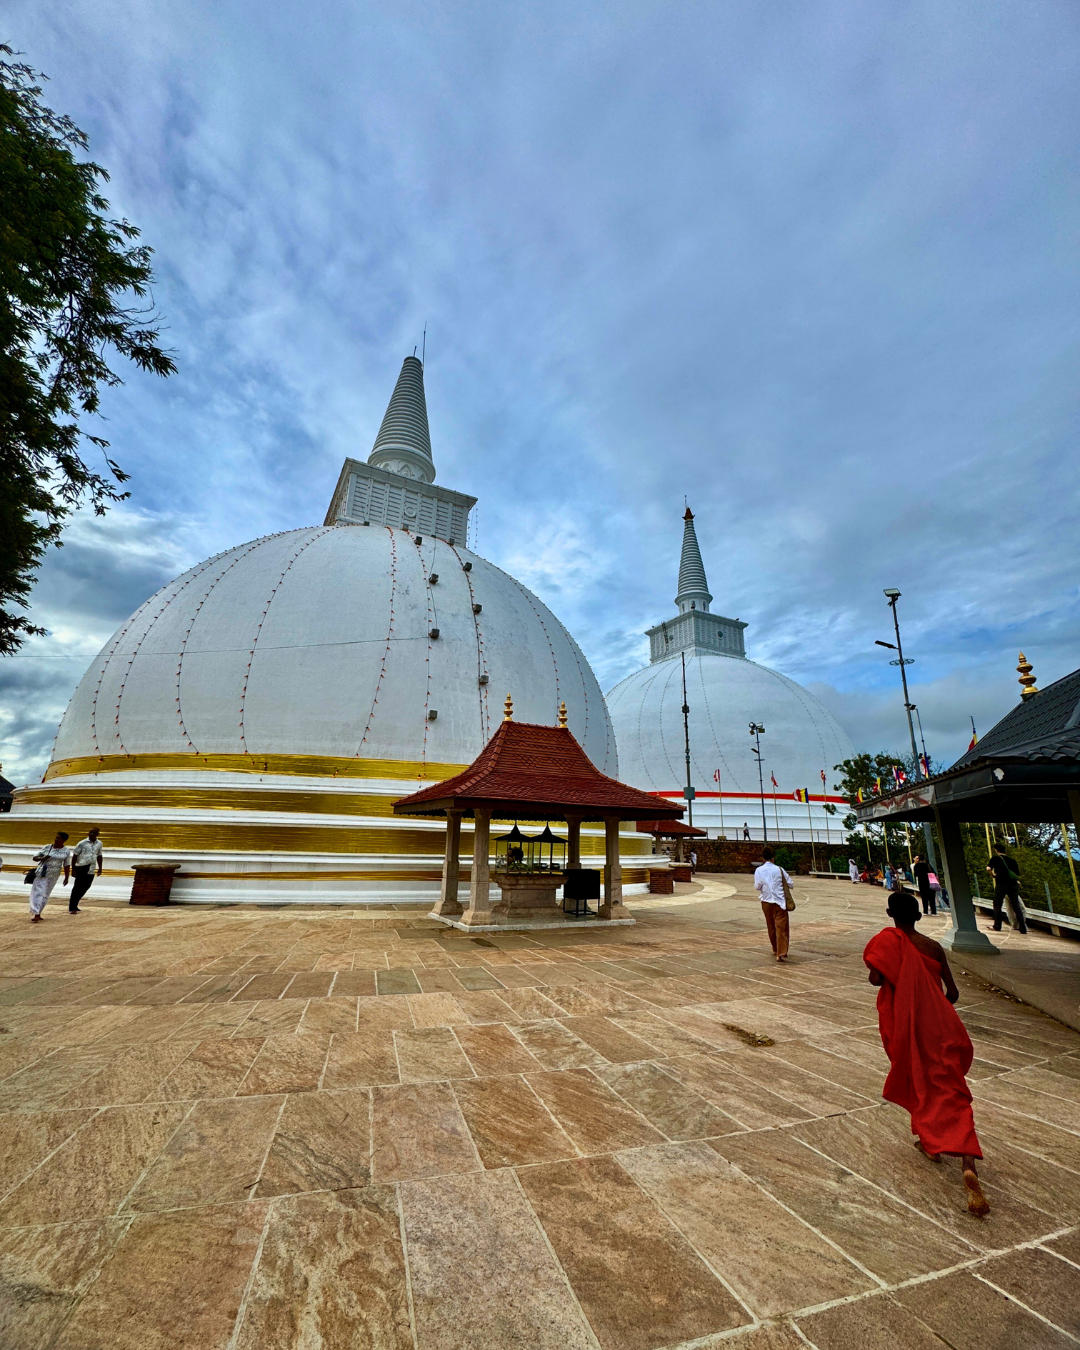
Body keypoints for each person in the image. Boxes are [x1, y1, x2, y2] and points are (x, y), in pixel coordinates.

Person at [864, 890, 989, 1216]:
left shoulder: (887, 942)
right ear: (919, 916)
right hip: (941, 1027)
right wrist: (933, 1007)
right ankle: (967, 1164)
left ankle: (932, 1144)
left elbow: (875, 979)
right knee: (953, 1089)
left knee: (918, 1081)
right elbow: (953, 992)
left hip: (908, 1028)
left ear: (890, 914)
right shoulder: (933, 947)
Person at [754, 844, 793, 963]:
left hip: (766, 901)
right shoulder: (779, 869)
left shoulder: (759, 870)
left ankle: (775, 949)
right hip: (780, 902)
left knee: (771, 926)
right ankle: (781, 952)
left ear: (763, 858)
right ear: (773, 858)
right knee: (781, 927)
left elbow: (757, 886)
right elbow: (790, 883)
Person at [28, 833, 71, 922]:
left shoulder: (66, 851)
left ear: (64, 840)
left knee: (46, 894)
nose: (56, 839)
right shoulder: (47, 847)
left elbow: (66, 864)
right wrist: (42, 858)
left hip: (54, 875)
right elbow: (35, 857)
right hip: (42, 874)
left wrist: (66, 877)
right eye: (56, 837)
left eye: (59, 838)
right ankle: (36, 912)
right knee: (38, 892)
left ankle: (39, 912)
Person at [986, 842, 1027, 934]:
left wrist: (993, 875)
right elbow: (1016, 875)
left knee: (997, 904)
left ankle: (997, 926)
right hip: (1012, 885)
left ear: (996, 851)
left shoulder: (995, 858)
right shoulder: (1013, 861)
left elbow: (988, 868)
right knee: (1016, 906)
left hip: (1001, 884)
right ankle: (1022, 927)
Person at [69, 828, 104, 912]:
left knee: (86, 886)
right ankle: (72, 906)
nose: (92, 834)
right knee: (77, 887)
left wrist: (100, 868)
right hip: (81, 866)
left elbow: (99, 856)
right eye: (90, 832)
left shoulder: (99, 843)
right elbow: (75, 856)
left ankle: (75, 903)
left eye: (94, 833)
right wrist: (73, 869)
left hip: (91, 868)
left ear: (97, 834)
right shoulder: (82, 843)